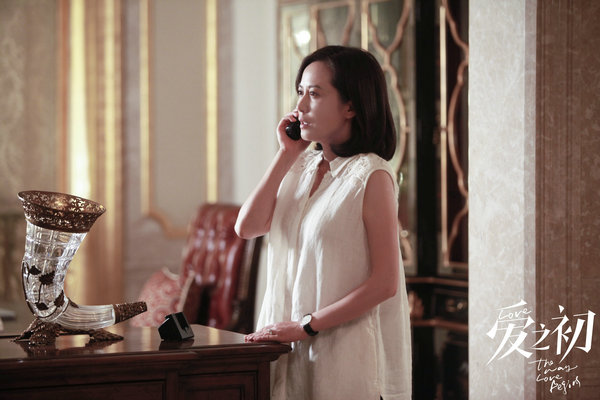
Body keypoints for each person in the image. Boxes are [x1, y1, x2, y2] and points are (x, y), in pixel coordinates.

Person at [235, 45, 412, 400]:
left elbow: (384, 283)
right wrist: (286, 154)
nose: (300, 106)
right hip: (288, 351)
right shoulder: (300, 166)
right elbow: (247, 227)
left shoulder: (372, 175)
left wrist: (305, 327)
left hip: (344, 357)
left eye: (314, 94)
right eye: (300, 92)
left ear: (351, 106)